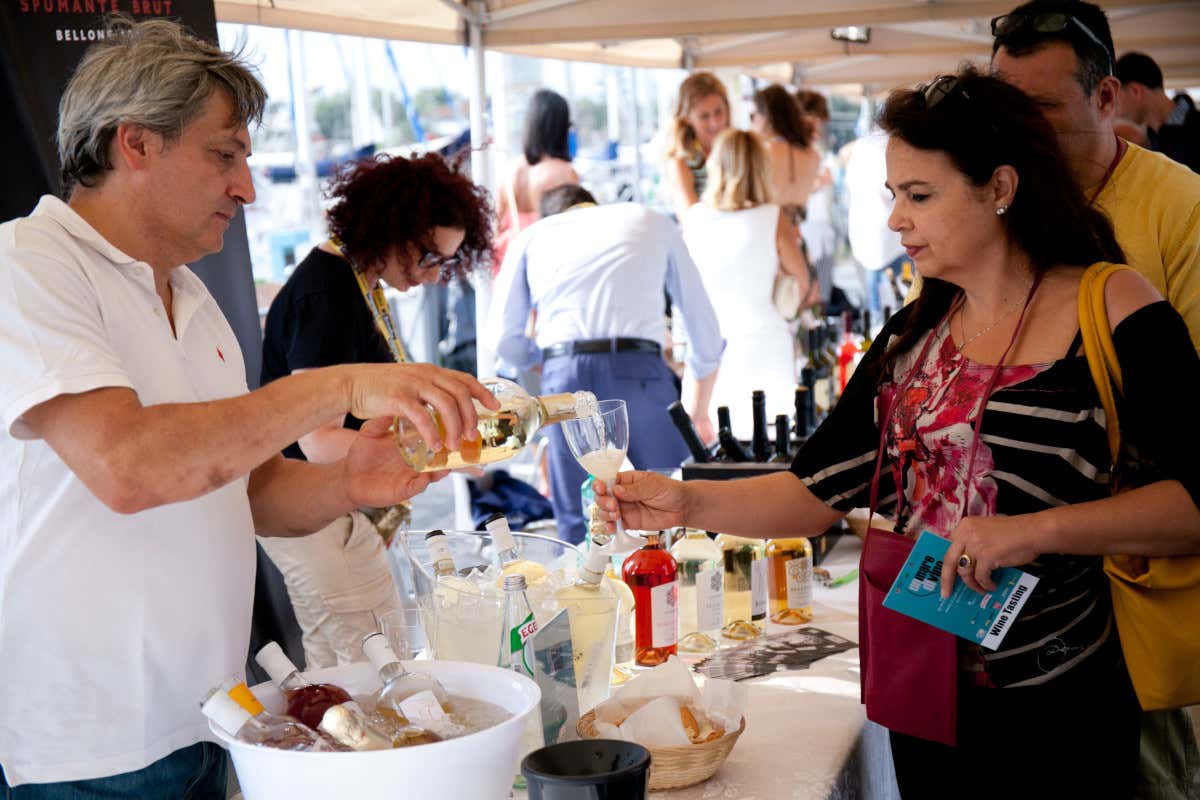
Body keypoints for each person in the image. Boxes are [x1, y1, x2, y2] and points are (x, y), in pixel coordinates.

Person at [596, 66, 1200, 798]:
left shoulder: (1112, 307)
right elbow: (816, 490)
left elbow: (1190, 506)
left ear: (1001, 189)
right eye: (894, 196)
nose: (895, 221)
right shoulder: (914, 335)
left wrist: (1032, 531)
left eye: (920, 195)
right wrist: (689, 505)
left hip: (1060, 704)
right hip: (926, 696)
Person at [0, 18, 496, 795]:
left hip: (211, 721)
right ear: (137, 144)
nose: (247, 186)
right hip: (84, 747)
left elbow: (254, 489)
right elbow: (129, 465)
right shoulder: (28, 265)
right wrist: (332, 389)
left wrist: (350, 483)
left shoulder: (194, 298)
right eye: (224, 155)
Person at [259, 152, 493, 669]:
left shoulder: (353, 284)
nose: (434, 277)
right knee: (372, 669)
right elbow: (316, 439)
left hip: (335, 508)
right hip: (309, 505)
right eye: (429, 257)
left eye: (445, 264)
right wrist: (433, 453)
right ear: (392, 228)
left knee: (354, 665)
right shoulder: (326, 293)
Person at [483, 185, 723, 544]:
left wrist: (542, 361)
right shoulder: (649, 219)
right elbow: (702, 325)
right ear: (593, 202)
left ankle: (587, 595)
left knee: (581, 525)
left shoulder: (532, 237)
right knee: (676, 509)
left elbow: (503, 339)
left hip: (563, 376)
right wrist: (699, 406)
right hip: (638, 368)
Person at [989, 0, 1200, 358]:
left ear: (1105, 97)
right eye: (1002, 106)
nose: (1014, 126)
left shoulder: (1183, 203)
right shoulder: (981, 193)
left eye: (1040, 107)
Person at [681, 129, 811, 439]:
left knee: (717, 455)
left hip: (711, 350)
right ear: (760, 168)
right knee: (771, 445)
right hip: (765, 342)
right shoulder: (772, 217)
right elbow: (803, 284)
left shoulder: (694, 219)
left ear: (717, 166)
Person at [493, 89, 580, 271]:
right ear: (561, 127)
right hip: (548, 265)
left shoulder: (510, 169)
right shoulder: (564, 173)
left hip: (512, 265)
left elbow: (496, 225)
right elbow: (572, 231)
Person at [844, 128, 907, 315]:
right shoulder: (892, 148)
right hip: (891, 240)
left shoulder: (861, 146)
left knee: (874, 306)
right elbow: (895, 193)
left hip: (864, 236)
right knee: (904, 301)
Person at [1115, 51, 1200, 173]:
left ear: (1135, 91)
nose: (1117, 111)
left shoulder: (1196, 130)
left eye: (1117, 101)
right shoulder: (1152, 140)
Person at [749, 84, 821, 225]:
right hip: (797, 237)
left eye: (753, 115)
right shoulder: (813, 155)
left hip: (770, 235)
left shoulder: (764, 152)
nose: (752, 122)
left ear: (766, 116)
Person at [795, 89, 840, 309]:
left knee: (823, 291)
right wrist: (818, 182)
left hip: (821, 229)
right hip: (805, 231)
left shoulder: (812, 151)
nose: (818, 129)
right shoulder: (794, 154)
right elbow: (796, 193)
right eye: (815, 121)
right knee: (812, 295)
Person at [663, 71, 731, 219]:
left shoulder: (737, 151)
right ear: (687, 118)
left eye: (719, 112)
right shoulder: (680, 162)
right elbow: (690, 220)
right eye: (704, 116)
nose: (715, 122)